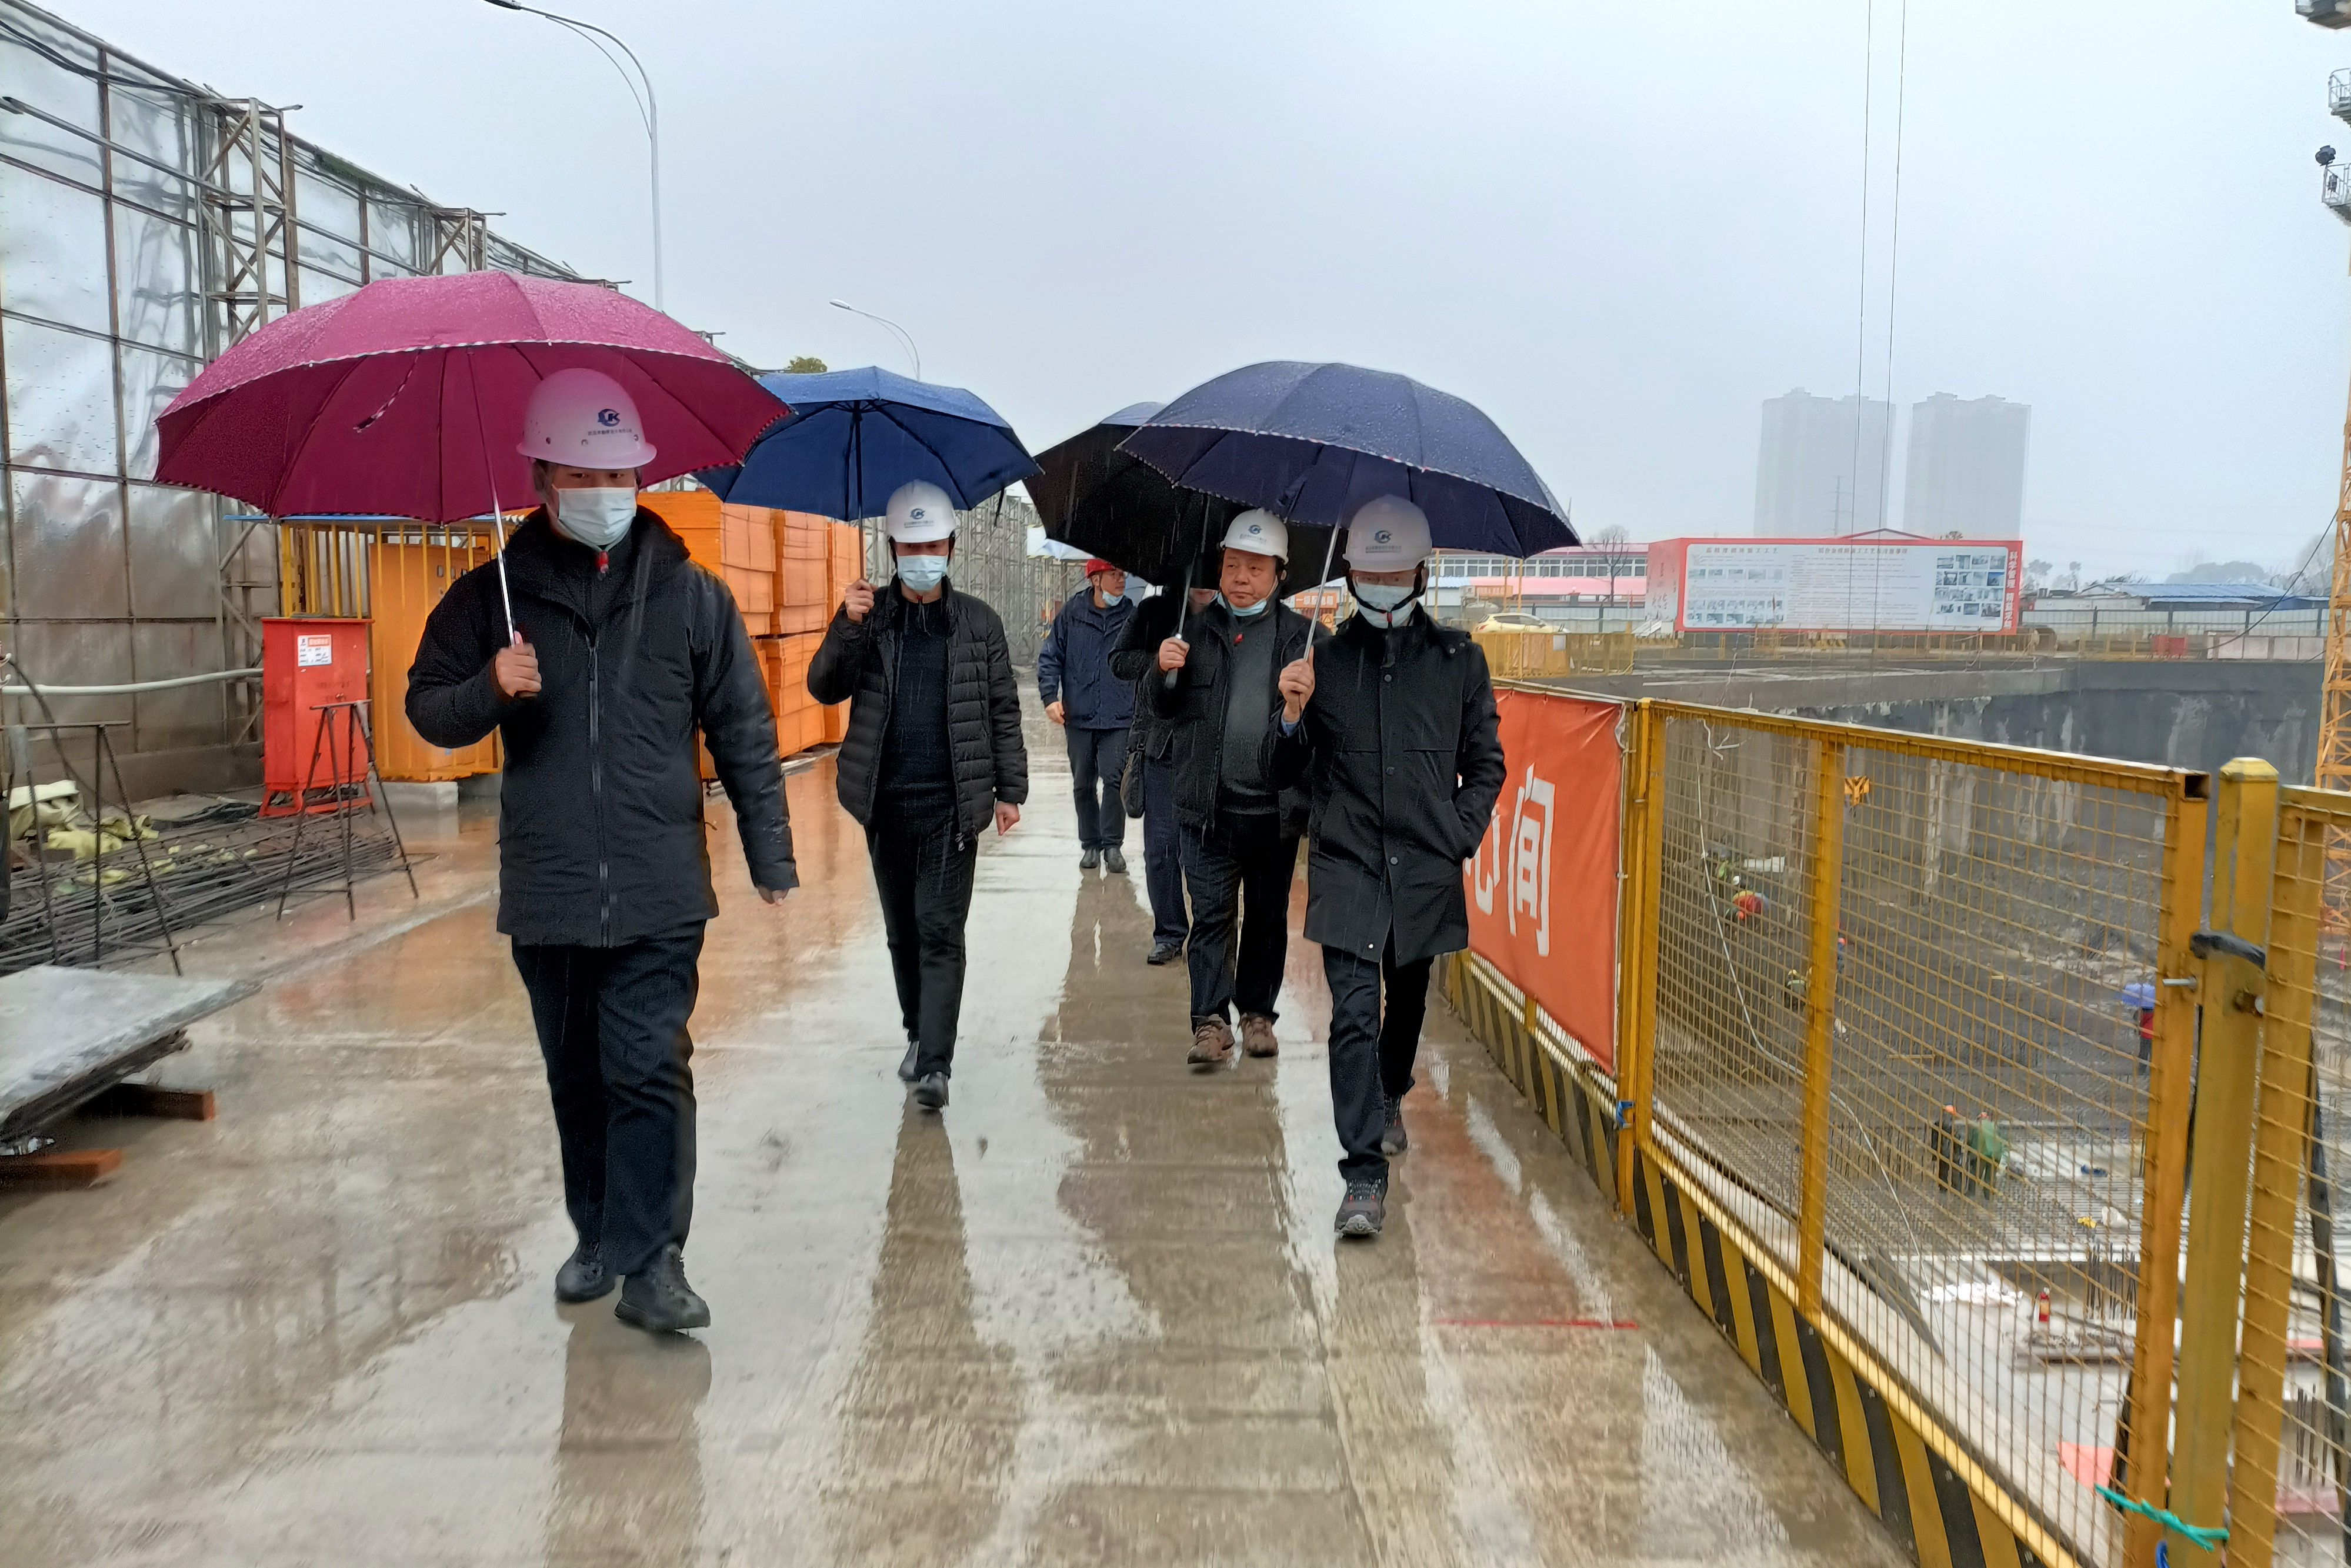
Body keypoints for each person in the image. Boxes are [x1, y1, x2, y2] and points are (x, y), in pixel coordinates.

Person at [406, 366, 795, 1334]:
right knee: (578, 1074)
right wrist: (490, 686)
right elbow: (427, 709)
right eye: (582, 474)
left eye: (619, 474)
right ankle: (598, 1234)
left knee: (650, 1064)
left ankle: (655, 1260)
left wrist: (771, 853)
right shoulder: (490, 600)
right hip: (550, 888)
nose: (605, 492)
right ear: (541, 477)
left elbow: (743, 727)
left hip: (661, 884)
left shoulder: (692, 598)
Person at [1272, 495, 1504, 1239]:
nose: (1380, 584)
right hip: (1347, 860)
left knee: (1405, 1002)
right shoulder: (1321, 661)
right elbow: (1285, 772)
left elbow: (1486, 765)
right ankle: (1362, 1175)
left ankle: (1391, 1088)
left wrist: (1456, 834)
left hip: (1424, 865)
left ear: (1421, 575)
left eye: (1395, 572)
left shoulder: (1460, 661)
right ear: (1347, 574)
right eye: (1368, 572)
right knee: (1351, 1013)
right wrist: (1289, 717)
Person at [809, 479, 1027, 1113]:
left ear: (951, 548)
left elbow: (1002, 710)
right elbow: (824, 687)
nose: (922, 556)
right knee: (902, 933)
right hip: (884, 803)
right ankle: (916, 1030)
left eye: (933, 545)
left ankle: (935, 1063)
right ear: (892, 550)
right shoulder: (869, 616)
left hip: (951, 807)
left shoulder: (979, 623)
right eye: (910, 546)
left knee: (940, 931)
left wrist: (1010, 789)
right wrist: (846, 626)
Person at [1152, 511, 1320, 1066]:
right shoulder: (1193, 632)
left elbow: (1322, 738)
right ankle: (1209, 1022)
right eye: (1232, 566)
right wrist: (1161, 673)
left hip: (1273, 812)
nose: (1241, 578)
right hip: (1207, 807)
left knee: (1267, 920)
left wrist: (1299, 708)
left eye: (1255, 568)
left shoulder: (1306, 641)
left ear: (1279, 575)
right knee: (1210, 916)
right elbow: (1162, 710)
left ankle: (1256, 1014)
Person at [1110, 551, 1221, 966]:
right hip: (1162, 748)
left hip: (1212, 750)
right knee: (1161, 848)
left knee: (1209, 852)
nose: (1206, 585)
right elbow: (1118, 661)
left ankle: (1211, 936)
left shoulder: (1232, 618)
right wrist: (1157, 662)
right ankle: (1169, 932)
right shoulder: (1153, 612)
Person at [1038, 558, 1137, 873]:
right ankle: (1091, 844)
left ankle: (1113, 846)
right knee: (1083, 784)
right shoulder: (1072, 614)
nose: (1121, 580)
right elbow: (1051, 657)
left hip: (1119, 715)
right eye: (1114, 574)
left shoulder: (1133, 616)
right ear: (1095, 580)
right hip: (1079, 714)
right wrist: (1050, 697)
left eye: (1122, 573)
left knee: (1114, 780)